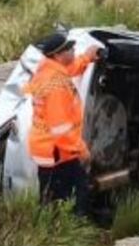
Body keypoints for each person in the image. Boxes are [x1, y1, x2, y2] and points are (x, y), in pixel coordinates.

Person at [24, 33, 103, 215]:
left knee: (52, 197)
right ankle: (69, 232)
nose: (74, 50)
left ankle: (54, 232)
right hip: (58, 152)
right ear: (59, 55)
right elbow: (60, 129)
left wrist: (87, 58)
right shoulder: (57, 87)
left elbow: (70, 69)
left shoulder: (48, 70)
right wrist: (81, 150)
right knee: (73, 197)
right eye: (70, 49)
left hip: (49, 150)